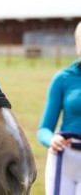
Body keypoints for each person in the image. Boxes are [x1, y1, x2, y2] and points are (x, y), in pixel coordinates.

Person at [37, 22, 81, 195]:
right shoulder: (62, 78)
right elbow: (44, 130)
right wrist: (52, 140)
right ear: (77, 45)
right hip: (63, 159)